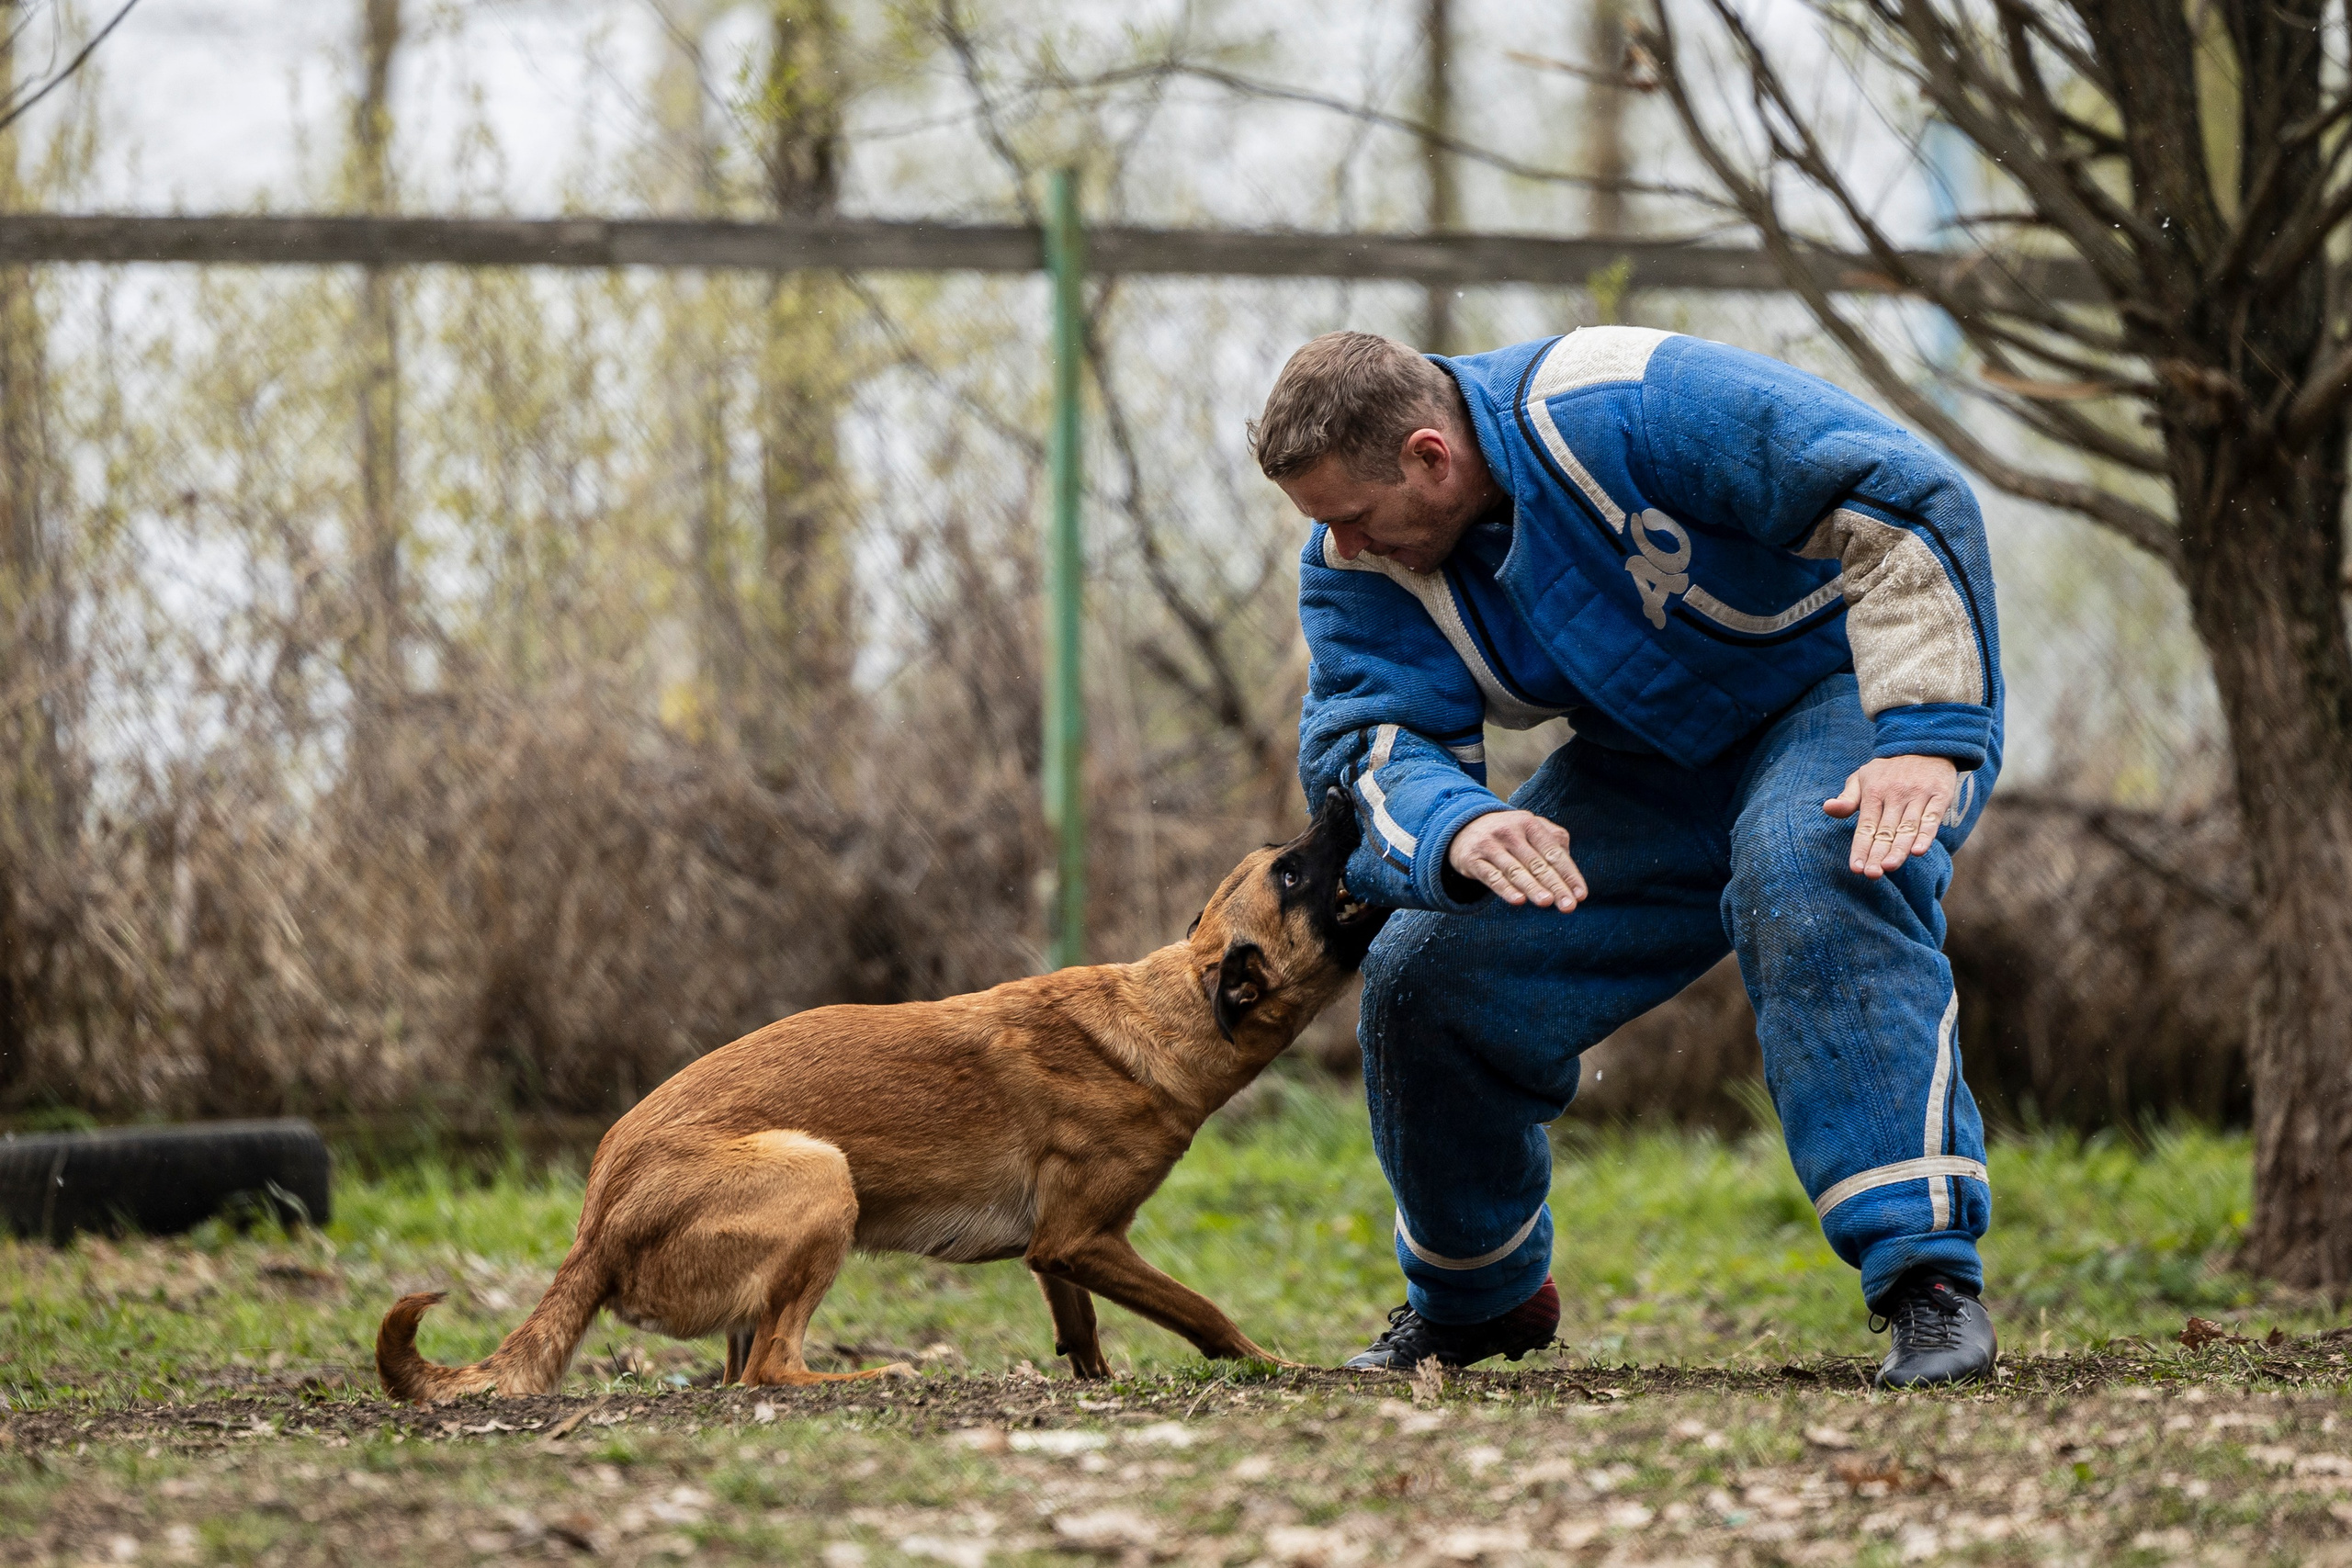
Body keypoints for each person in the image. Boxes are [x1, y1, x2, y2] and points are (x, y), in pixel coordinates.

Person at [1252, 327, 2001, 1389]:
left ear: (1429, 456)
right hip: (1650, 759)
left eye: (1354, 516)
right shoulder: (1351, 565)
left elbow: (1903, 495)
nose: (1346, 545)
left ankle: (1927, 1285)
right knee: (1428, 973)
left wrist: (1923, 734)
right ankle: (1479, 1299)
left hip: (1843, 697)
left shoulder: (1628, 399)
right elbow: (1364, 744)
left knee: (1812, 866)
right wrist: (1457, 825)